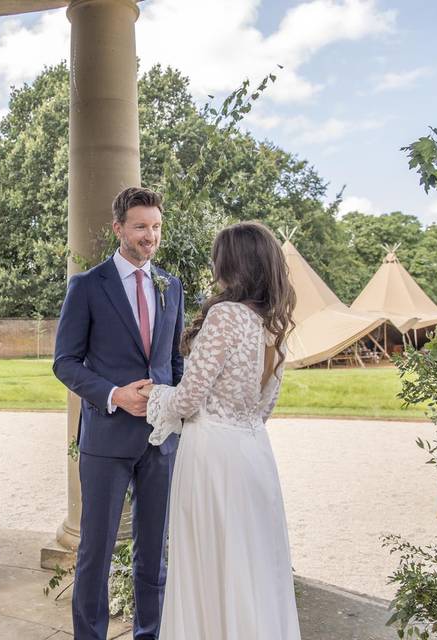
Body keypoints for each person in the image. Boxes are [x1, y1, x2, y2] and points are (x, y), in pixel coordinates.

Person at [139, 221, 301, 639]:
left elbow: (189, 399)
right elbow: (263, 409)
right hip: (253, 454)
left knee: (209, 563)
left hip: (212, 456)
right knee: (251, 565)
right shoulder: (273, 327)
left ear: (233, 263)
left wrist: (155, 395)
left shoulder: (227, 316)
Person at [52, 187, 185, 640]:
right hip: (106, 439)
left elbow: (174, 364)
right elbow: (65, 362)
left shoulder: (172, 285)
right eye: (141, 227)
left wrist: (176, 408)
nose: (151, 236)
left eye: (156, 226)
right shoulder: (88, 287)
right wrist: (113, 394)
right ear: (118, 229)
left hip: (161, 442)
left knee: (154, 552)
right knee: (96, 551)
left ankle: (149, 633)